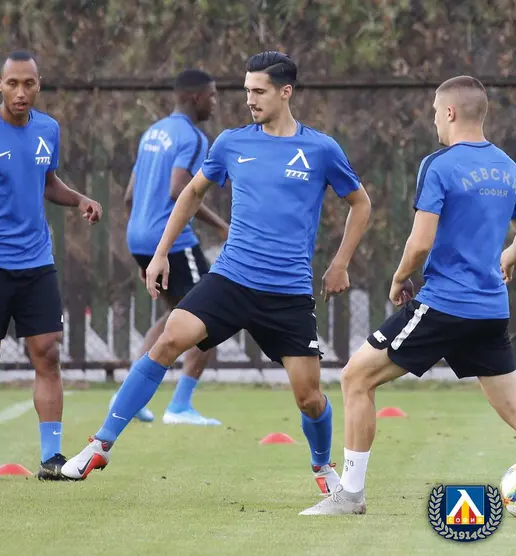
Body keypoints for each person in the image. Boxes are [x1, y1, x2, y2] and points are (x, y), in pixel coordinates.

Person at [63, 51, 372, 493]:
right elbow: (190, 194)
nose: (250, 99)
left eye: (259, 91)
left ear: (286, 92)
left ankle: (323, 469)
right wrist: (161, 253)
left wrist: (339, 263)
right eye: (247, 90)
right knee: (170, 338)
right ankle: (100, 444)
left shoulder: (321, 149)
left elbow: (361, 204)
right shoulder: (231, 143)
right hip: (231, 279)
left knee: (309, 398)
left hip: (287, 293)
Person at [301, 76, 516, 515]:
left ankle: (350, 495)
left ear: (450, 112)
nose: (434, 120)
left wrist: (400, 277)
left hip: (445, 305)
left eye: (436, 112)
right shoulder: (509, 167)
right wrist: (508, 256)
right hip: (490, 310)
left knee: (356, 378)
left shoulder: (439, 165)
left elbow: (420, 243)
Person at [0, 50, 103, 481]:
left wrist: (79, 199)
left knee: (48, 354)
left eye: (29, 83)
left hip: (38, 262)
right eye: (13, 83)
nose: (21, 91)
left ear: (39, 85)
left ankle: (52, 457)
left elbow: (47, 182)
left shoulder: (48, 129)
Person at [113, 68, 229, 426]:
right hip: (172, 241)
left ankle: (129, 395)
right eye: (211, 95)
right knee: (212, 312)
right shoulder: (193, 137)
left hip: (140, 237)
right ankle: (180, 406)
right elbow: (180, 190)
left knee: (177, 314)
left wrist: (143, 248)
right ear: (195, 97)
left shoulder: (153, 132)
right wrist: (222, 226)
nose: (214, 102)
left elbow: (130, 195)